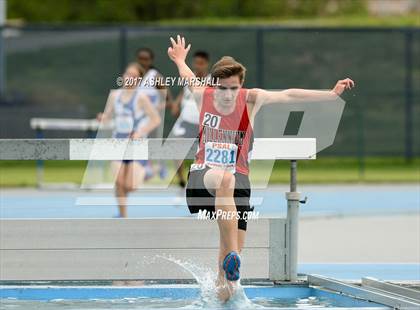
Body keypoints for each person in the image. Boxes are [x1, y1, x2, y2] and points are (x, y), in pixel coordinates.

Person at [168, 35, 355, 301]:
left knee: (228, 264)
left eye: (233, 88)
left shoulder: (252, 99)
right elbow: (186, 73)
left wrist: (331, 93)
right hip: (204, 177)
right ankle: (232, 257)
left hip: (239, 182)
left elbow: (289, 95)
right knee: (224, 181)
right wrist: (179, 59)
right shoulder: (202, 95)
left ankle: (223, 295)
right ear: (214, 85)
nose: (228, 95)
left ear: (241, 85)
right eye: (222, 89)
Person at [97, 63, 161, 218]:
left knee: (130, 186)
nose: (129, 78)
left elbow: (155, 119)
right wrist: (103, 118)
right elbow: (108, 115)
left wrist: (140, 132)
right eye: (127, 74)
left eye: (134, 76)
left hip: (136, 146)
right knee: (119, 182)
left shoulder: (141, 98)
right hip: (117, 144)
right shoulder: (114, 95)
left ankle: (148, 171)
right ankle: (123, 216)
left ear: (139, 80)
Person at [170, 50, 210, 189]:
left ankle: (197, 179)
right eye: (196, 63)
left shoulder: (212, 80)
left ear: (206, 64)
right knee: (176, 148)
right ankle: (181, 180)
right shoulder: (188, 77)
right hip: (186, 121)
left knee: (201, 154)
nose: (198, 66)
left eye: (201, 63)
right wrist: (176, 103)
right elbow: (184, 91)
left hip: (202, 124)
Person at [136, 47, 171, 179]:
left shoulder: (155, 76)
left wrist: (157, 108)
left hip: (152, 118)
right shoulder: (134, 75)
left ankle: (160, 167)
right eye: (140, 59)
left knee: (152, 144)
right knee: (139, 144)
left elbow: (167, 98)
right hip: (138, 118)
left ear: (151, 60)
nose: (143, 62)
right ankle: (145, 169)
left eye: (146, 59)